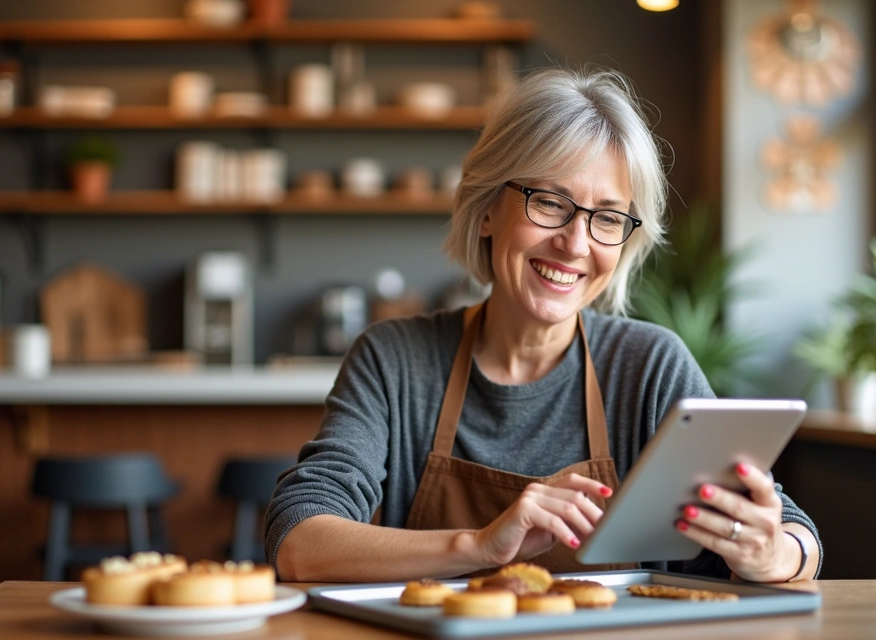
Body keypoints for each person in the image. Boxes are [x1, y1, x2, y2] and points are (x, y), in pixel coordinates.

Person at [266, 66, 822, 583]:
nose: (575, 244)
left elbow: (796, 535)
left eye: (607, 217)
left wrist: (771, 552)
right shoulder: (396, 361)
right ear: (487, 209)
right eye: (551, 203)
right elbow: (298, 539)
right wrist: (481, 546)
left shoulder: (650, 366)